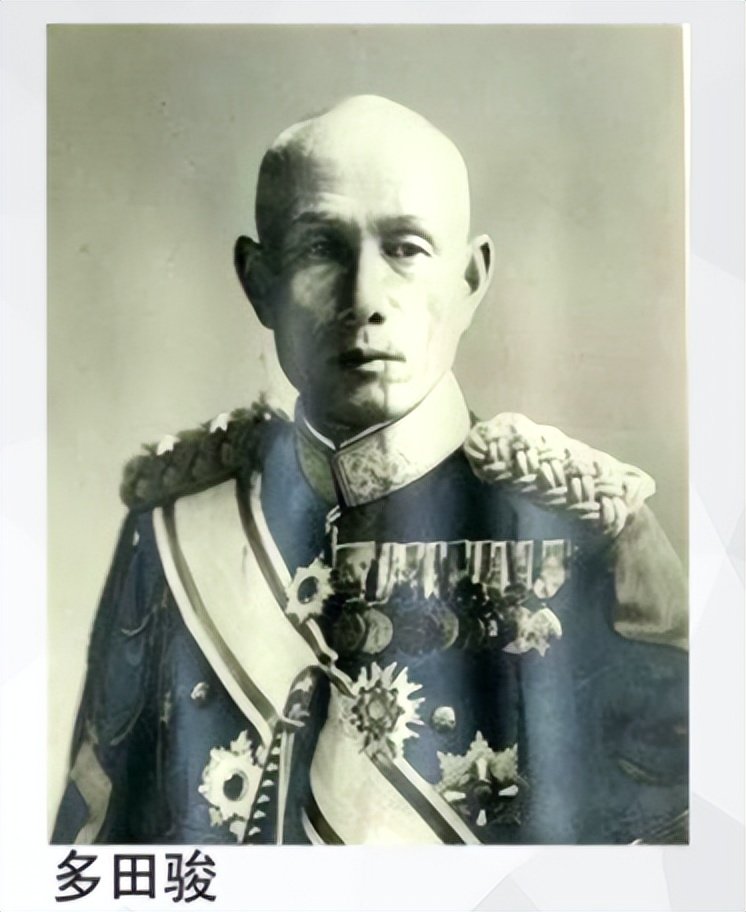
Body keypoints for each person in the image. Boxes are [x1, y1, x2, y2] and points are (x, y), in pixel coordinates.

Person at [52, 95, 688, 846]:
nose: (365, 300)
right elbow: (95, 852)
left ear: (470, 280)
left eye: (406, 249)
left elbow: (667, 863)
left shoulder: (589, 533)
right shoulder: (173, 529)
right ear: (258, 281)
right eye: (321, 249)